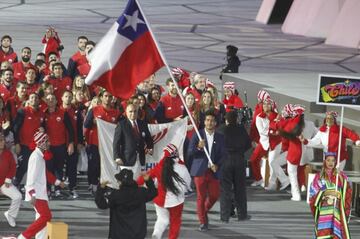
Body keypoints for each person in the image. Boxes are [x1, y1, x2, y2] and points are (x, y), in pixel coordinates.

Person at [18, 130, 65, 239]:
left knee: (41, 218)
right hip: (37, 194)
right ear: (41, 143)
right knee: (46, 216)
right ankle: (24, 236)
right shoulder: (36, 157)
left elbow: (45, 173)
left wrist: (58, 182)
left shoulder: (39, 156)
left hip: (39, 193)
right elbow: (30, 178)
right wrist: (32, 194)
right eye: (47, 141)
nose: (49, 143)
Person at [138, 144, 191, 239]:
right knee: (175, 222)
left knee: (162, 220)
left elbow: (145, 177)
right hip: (176, 201)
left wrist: (131, 184)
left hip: (160, 199)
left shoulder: (159, 167)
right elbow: (187, 184)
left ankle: (156, 235)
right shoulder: (182, 168)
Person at [188, 110, 226, 231]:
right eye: (207, 120)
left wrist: (217, 165)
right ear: (204, 122)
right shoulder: (197, 135)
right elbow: (190, 153)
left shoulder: (220, 137)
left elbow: (224, 154)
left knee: (215, 195)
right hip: (200, 171)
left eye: (212, 121)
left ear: (215, 123)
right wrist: (198, 147)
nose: (209, 122)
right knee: (201, 196)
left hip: (213, 172)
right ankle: (203, 221)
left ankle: (203, 211)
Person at [95, 169, 157, 239]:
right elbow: (153, 192)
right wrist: (148, 180)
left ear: (121, 182)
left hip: (119, 234)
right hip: (138, 233)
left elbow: (102, 204)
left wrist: (101, 188)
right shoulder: (141, 192)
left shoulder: (115, 195)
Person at [309, 152, 352, 239]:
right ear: (325, 161)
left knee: (336, 232)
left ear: (336, 162)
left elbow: (347, 191)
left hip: (337, 209)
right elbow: (313, 194)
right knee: (324, 233)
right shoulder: (319, 177)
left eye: (333, 160)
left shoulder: (341, 176)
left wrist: (340, 192)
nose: (330, 163)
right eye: (328, 160)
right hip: (324, 211)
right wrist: (326, 193)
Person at [219, 110, 251, 222]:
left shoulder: (221, 129)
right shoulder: (241, 129)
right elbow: (248, 144)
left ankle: (224, 216)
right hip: (239, 160)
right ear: (236, 118)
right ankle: (242, 215)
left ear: (226, 119)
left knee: (225, 189)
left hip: (225, 161)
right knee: (240, 189)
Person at [113, 104, 153, 179]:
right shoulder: (121, 125)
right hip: (126, 159)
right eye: (130, 111)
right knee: (127, 184)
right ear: (126, 112)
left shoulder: (142, 124)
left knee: (138, 182)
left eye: (135, 111)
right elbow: (116, 143)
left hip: (140, 159)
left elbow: (148, 138)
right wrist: (117, 157)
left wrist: (150, 147)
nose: (133, 114)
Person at [0, 131, 22, 228]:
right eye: (0, 141)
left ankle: (11, 215)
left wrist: (8, 179)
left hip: (5, 183)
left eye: (3, 141)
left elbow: (13, 167)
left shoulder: (8, 153)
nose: (2, 142)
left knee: (18, 196)